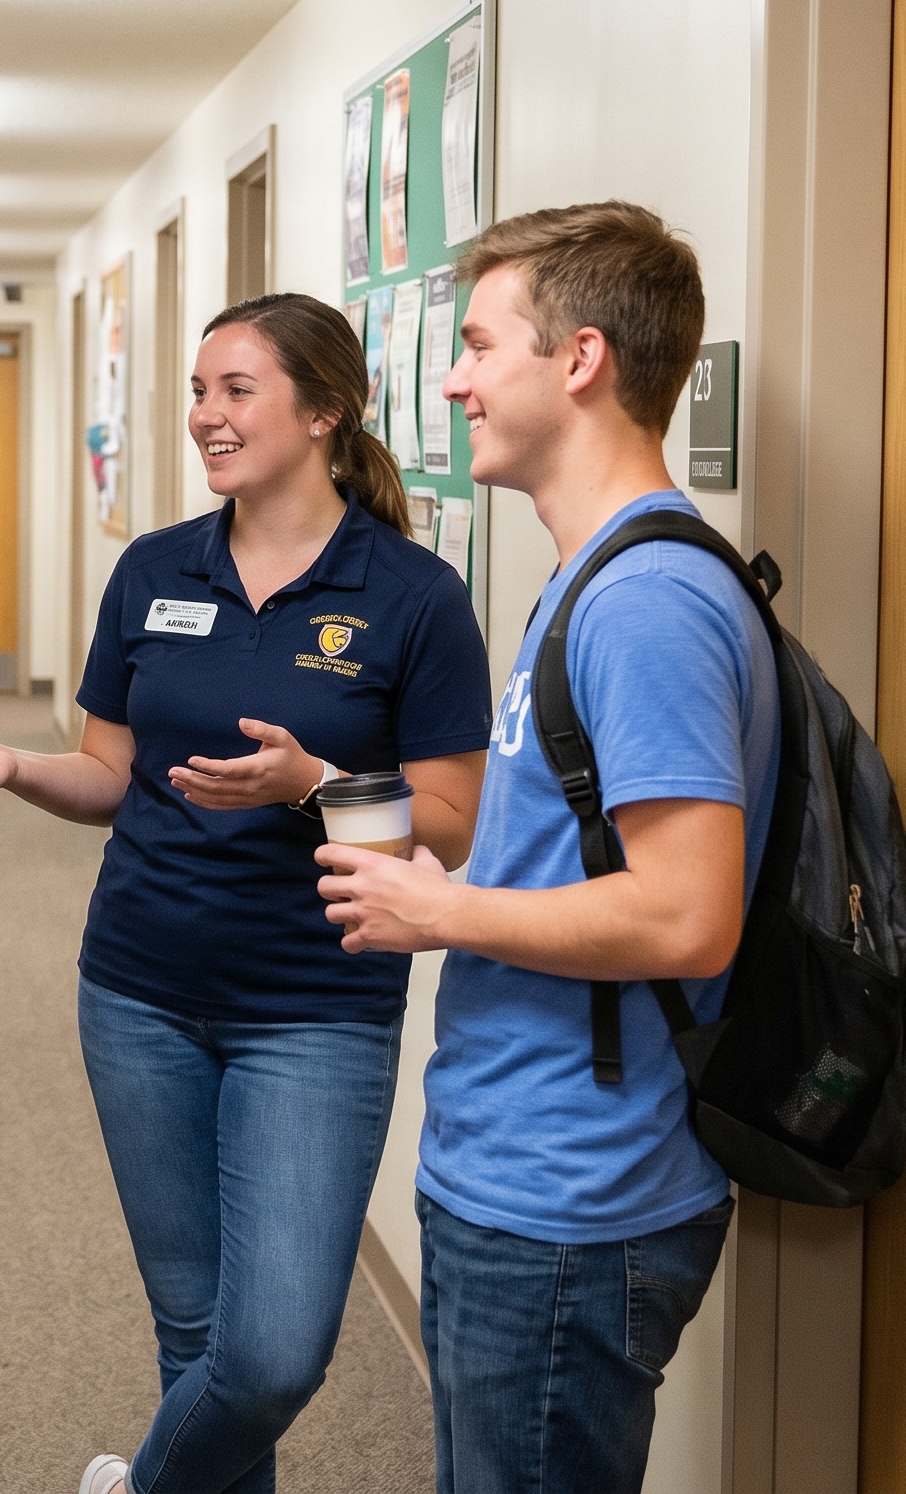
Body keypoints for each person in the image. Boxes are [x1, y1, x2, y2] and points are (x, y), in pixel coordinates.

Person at [0, 293, 491, 1494]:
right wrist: (14, 768)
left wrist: (310, 785)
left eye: (237, 391)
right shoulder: (155, 568)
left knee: (270, 1358)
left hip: (314, 1004)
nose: (208, 416)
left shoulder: (412, 596)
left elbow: (454, 824)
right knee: (195, 1335)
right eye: (200, 392)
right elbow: (110, 776)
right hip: (138, 991)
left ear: (324, 411)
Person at [315, 202, 779, 1493]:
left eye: (477, 345)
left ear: (579, 360)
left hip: (572, 1199)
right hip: (523, 1170)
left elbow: (688, 916)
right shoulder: (591, 578)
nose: (452, 381)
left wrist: (440, 912)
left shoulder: (645, 605)